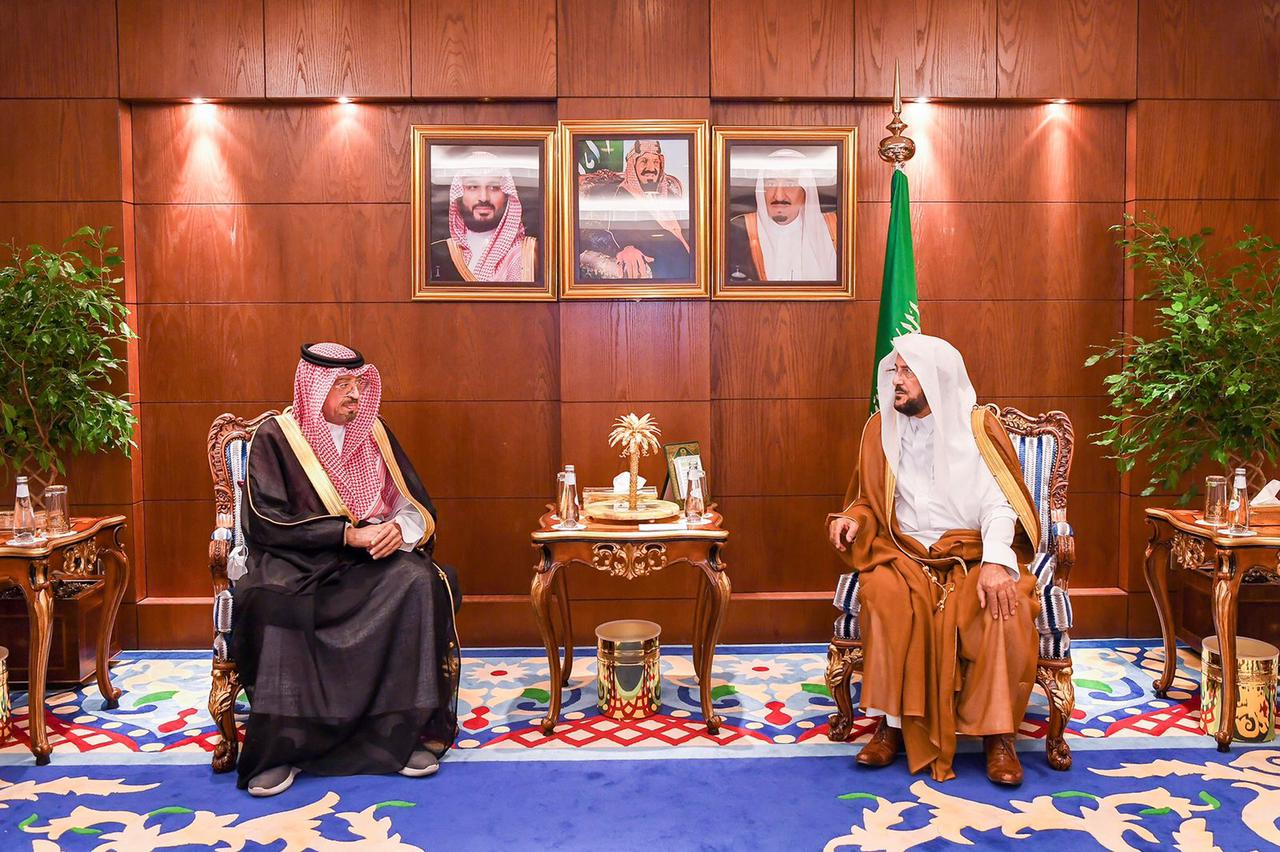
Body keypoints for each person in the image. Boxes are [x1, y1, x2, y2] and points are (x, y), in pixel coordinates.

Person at [231, 342, 460, 797]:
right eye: (342, 384)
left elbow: (413, 504)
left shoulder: (375, 433)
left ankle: (396, 734)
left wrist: (398, 530)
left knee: (418, 582)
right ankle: (281, 748)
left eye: (358, 383)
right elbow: (265, 520)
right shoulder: (276, 437)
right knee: (272, 603)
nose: (355, 394)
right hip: (297, 561)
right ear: (313, 388)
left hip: (366, 562)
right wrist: (344, 534)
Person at [826, 333, 1041, 785]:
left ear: (937, 378)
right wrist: (852, 520)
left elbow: (1000, 505)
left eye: (909, 372)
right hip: (903, 552)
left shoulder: (978, 428)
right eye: (896, 370)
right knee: (884, 596)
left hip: (973, 551)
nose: (897, 380)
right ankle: (890, 723)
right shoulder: (880, 429)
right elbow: (869, 500)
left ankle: (998, 735)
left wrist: (997, 561)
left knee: (1005, 606)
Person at [578, 139, 692, 280]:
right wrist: (627, 248)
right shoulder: (620, 196)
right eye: (644, 161)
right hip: (666, 266)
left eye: (656, 162)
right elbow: (606, 232)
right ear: (633, 165)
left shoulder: (670, 195)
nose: (651, 168)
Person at [726, 148, 838, 282]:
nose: (779, 196)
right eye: (771, 184)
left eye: (790, 184)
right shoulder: (738, 231)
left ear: (805, 191)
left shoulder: (834, 229)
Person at [430, 150, 538, 282]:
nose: (483, 197)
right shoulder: (437, 253)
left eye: (494, 187)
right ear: (459, 195)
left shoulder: (529, 253)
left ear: (507, 196)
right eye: (473, 187)